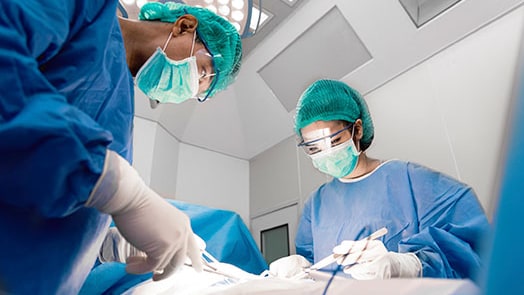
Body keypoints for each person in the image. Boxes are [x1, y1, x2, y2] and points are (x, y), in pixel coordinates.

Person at [0, 0, 242, 294]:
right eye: (202, 73)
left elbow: (51, 200)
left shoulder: (121, 115)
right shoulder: (86, 9)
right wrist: (118, 190)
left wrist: (103, 244)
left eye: (196, 94)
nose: (187, 91)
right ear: (184, 26)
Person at [269, 79, 490, 280]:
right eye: (314, 148)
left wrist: (407, 266)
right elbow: (317, 269)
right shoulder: (315, 205)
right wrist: (303, 269)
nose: (325, 154)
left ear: (357, 129)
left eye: (334, 141)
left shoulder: (407, 180)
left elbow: (473, 246)